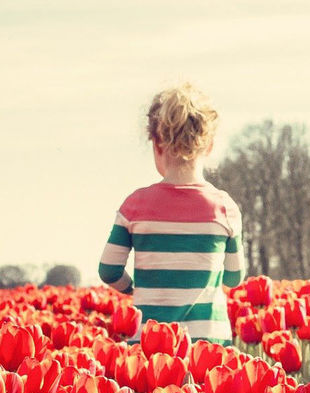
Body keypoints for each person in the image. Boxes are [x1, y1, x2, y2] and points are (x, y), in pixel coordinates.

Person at [98, 83, 244, 344]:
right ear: (209, 146)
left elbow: (108, 270)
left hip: (149, 342)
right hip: (208, 342)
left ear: (156, 144)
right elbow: (234, 277)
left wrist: (134, 289)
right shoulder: (224, 207)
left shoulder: (135, 205)